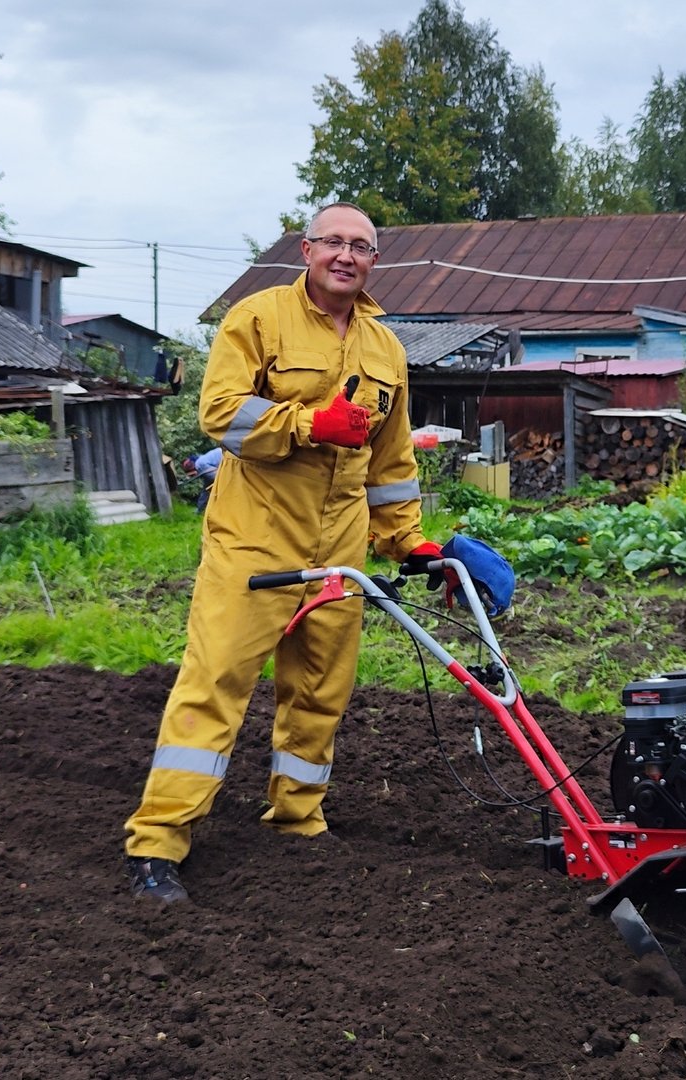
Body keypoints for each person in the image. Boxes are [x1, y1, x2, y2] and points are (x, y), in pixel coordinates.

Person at [124, 203, 445, 904]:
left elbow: (391, 459)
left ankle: (298, 819)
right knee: (215, 685)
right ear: (306, 250)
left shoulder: (385, 348)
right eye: (334, 241)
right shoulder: (258, 317)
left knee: (320, 691)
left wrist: (405, 538)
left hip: (340, 544)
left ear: (373, 263)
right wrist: (307, 423)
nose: (346, 255)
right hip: (255, 536)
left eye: (361, 247)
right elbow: (220, 413)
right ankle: (157, 843)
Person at [184, 447, 223, 512]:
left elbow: (215, 475)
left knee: (218, 485)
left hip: (223, 459)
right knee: (207, 489)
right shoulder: (203, 458)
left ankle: (203, 510)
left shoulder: (199, 463)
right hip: (222, 458)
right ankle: (200, 510)